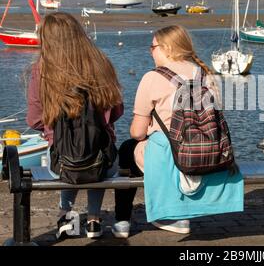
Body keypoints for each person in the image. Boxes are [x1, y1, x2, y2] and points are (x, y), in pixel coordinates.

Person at [113, 25, 243, 238]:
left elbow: (137, 132)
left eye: (152, 47)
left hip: (171, 155)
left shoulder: (152, 77)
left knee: (128, 149)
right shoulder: (206, 75)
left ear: (166, 48)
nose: (150, 51)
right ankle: (176, 211)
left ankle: (124, 222)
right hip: (207, 150)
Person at [26, 12, 124, 239]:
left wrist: (52, 129)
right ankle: (93, 219)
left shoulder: (42, 69)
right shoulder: (100, 62)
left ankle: (66, 216)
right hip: (104, 162)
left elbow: (34, 120)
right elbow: (117, 111)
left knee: (67, 152)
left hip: (61, 164)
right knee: (95, 150)